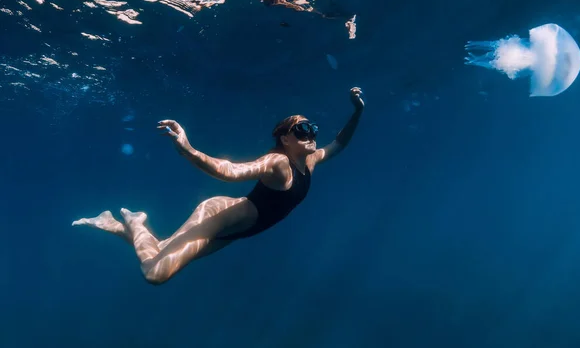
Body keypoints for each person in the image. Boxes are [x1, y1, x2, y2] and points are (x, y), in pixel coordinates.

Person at [73, 87, 365, 285]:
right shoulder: (277, 162)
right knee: (156, 274)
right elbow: (230, 171)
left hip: (236, 232)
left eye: (312, 128)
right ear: (285, 138)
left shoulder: (310, 161)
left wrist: (357, 111)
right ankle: (135, 222)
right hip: (218, 217)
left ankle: (114, 225)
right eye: (301, 129)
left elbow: (340, 143)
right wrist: (187, 148)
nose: (310, 134)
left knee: (161, 250)